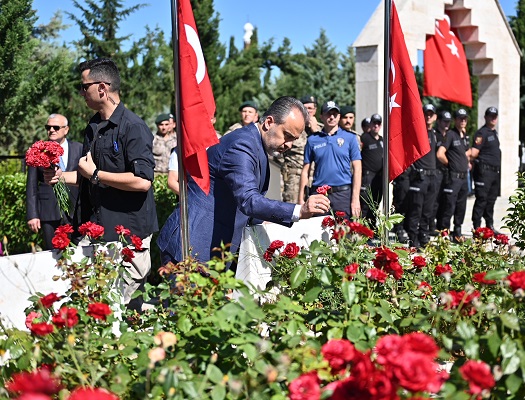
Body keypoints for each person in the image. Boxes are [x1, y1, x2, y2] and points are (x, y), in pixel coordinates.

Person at [158, 96, 330, 265]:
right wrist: (299, 211)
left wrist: (267, 221)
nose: (289, 145)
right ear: (269, 122)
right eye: (287, 135)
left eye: (294, 139)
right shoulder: (241, 145)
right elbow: (249, 200)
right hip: (192, 246)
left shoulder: (256, 144)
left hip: (211, 248)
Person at [45, 58, 159, 311]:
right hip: (97, 231)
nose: (81, 92)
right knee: (97, 305)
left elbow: (142, 182)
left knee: (125, 306)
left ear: (102, 88)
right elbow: (87, 175)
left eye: (84, 87)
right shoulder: (93, 126)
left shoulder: (133, 127)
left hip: (128, 235)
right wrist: (60, 177)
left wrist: (96, 173)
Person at [26, 114, 83, 250]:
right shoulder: (38, 151)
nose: (51, 130)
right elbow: (32, 186)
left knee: (77, 252)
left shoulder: (79, 148)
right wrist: (32, 215)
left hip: (75, 211)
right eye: (48, 127)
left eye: (56, 127)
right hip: (49, 212)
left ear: (66, 129)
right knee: (52, 255)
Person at [298, 101, 362, 218]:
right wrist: (300, 198)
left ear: (339, 116)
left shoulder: (350, 138)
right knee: (318, 233)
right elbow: (305, 171)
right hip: (319, 194)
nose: (332, 117)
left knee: (343, 233)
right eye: (328, 114)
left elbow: (357, 169)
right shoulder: (313, 140)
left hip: (343, 194)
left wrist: (355, 199)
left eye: (335, 114)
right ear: (321, 116)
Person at [404, 104, 439, 248]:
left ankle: (423, 237)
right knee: (415, 210)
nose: (428, 116)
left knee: (428, 211)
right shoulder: (417, 132)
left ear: (435, 117)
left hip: (432, 177)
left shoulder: (435, 134)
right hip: (420, 177)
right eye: (426, 114)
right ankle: (413, 238)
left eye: (431, 114)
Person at [277, 95, 320, 203]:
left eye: (310, 108)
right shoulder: (291, 127)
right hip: (294, 178)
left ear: (315, 110)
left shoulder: (321, 130)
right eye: (305, 108)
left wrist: (315, 132)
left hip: (315, 178)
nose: (308, 111)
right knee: (293, 211)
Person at [436, 108, 471, 240]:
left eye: (465, 118)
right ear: (455, 120)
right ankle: (445, 233)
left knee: (461, 206)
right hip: (453, 177)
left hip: (463, 177)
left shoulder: (465, 136)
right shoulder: (451, 134)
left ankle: (457, 232)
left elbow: (466, 153)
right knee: (449, 206)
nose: (463, 121)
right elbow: (440, 154)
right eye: (460, 118)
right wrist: (450, 164)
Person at [471, 106, 502, 232]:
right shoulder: (482, 133)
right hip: (484, 172)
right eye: (491, 116)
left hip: (494, 172)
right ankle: (477, 227)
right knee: (482, 199)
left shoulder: (494, 133)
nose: (493, 118)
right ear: (485, 117)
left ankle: (490, 225)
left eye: (495, 116)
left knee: (491, 200)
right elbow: (474, 153)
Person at [359, 113, 384, 228]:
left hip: (379, 178)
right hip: (368, 176)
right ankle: (362, 230)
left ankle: (372, 229)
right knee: (366, 204)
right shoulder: (364, 138)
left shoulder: (382, 140)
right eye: (374, 123)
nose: (376, 126)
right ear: (371, 124)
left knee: (376, 203)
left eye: (378, 123)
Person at [431, 110, 452, 234]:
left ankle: (441, 225)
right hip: (436, 170)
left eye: (448, 122)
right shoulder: (435, 134)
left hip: (447, 172)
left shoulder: (449, 135)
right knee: (435, 200)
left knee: (445, 200)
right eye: (444, 121)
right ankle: (431, 225)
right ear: (439, 121)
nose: (446, 124)